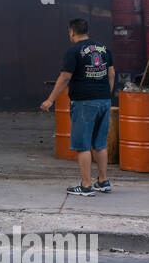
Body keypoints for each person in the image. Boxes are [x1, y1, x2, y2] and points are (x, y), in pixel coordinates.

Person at [41, 18, 115, 197]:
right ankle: (103, 182)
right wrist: (106, 94)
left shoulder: (73, 51)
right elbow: (111, 73)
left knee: (83, 145)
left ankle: (86, 185)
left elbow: (65, 77)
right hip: (104, 100)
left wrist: (50, 100)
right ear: (86, 31)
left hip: (84, 103)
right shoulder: (103, 48)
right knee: (100, 143)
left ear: (72, 32)